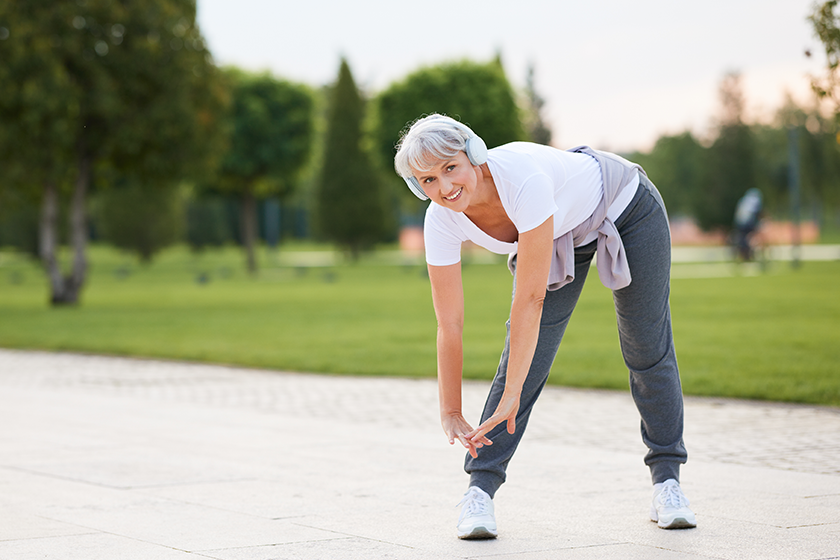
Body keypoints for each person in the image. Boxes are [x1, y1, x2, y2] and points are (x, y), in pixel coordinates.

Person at [394, 114, 696, 539]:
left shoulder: (521, 181)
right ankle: (479, 491)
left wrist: (513, 394)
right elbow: (450, 323)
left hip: (627, 207)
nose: (443, 187)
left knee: (645, 344)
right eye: (427, 180)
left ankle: (668, 482)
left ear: (473, 155)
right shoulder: (440, 219)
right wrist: (449, 410)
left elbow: (530, 300)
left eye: (450, 168)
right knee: (524, 358)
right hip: (562, 232)